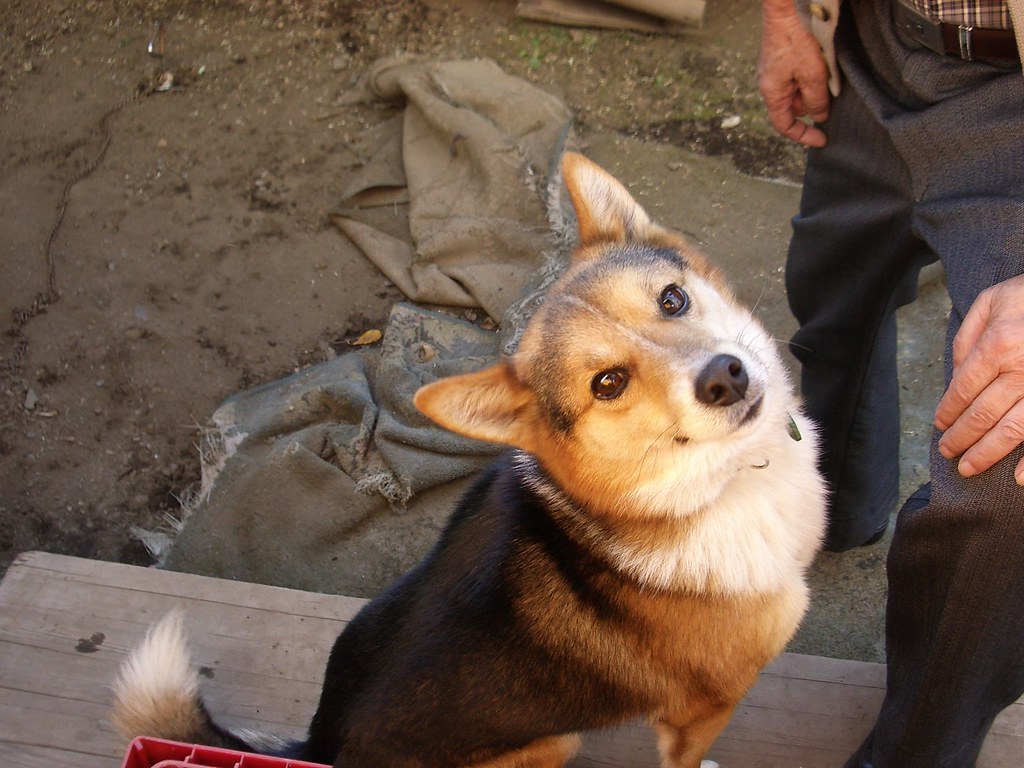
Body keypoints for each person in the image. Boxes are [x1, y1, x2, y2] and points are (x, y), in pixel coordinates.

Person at [757, 0, 1024, 765]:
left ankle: (918, 747)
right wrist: (788, 15)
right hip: (874, 45)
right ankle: (835, 507)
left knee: (1005, 479)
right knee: (829, 301)